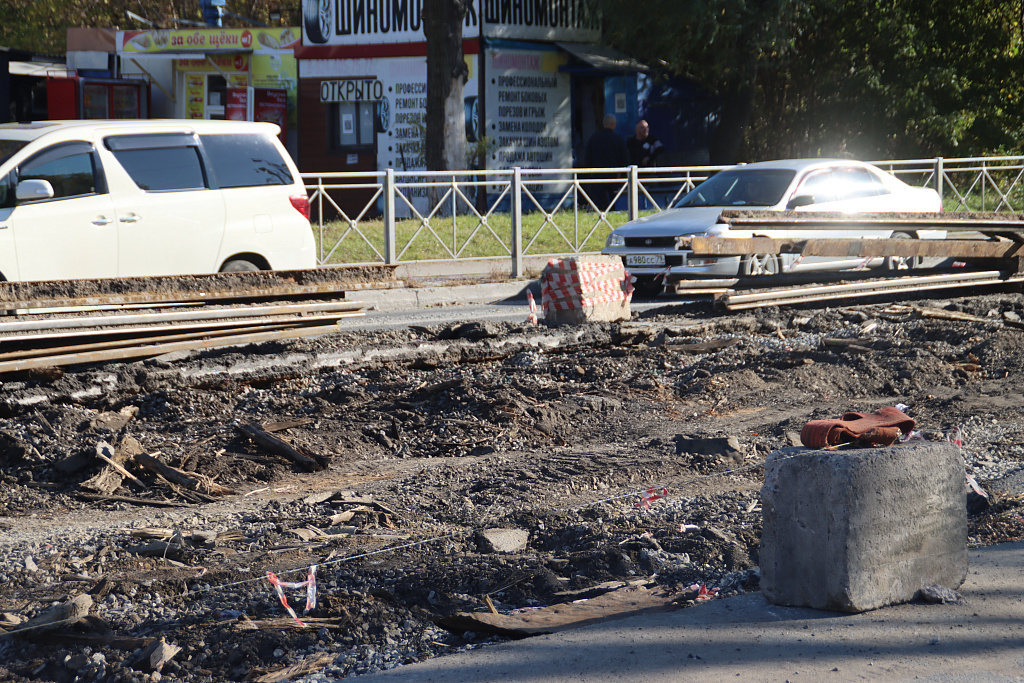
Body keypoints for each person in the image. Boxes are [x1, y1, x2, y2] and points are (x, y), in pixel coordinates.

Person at [583, 114, 630, 210]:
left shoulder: (594, 138)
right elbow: (625, 158)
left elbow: (587, 158)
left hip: (597, 174)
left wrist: (588, 173)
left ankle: (600, 215)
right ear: (613, 124)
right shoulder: (618, 139)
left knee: (598, 201)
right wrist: (624, 173)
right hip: (613, 175)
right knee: (614, 199)